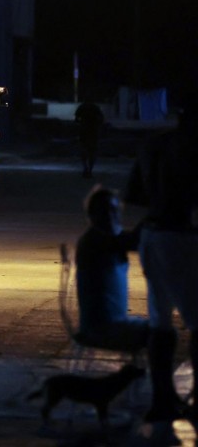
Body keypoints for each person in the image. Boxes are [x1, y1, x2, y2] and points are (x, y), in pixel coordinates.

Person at [125, 95, 198, 425]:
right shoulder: (192, 148)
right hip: (184, 237)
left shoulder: (154, 145)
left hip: (153, 237)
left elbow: (135, 197)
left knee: (160, 321)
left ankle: (162, 399)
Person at [75, 186, 148, 351]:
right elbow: (133, 241)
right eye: (105, 211)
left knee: (159, 329)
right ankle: (154, 376)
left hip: (109, 323)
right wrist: (157, 210)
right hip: (101, 328)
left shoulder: (101, 237)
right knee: (162, 333)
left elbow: (131, 240)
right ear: (92, 215)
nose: (110, 215)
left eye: (114, 210)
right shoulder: (94, 241)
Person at [74, 101, 104, 178]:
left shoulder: (82, 107)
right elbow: (101, 119)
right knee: (92, 151)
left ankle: (86, 168)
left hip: (84, 131)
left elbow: (76, 119)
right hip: (93, 131)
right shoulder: (95, 107)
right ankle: (89, 170)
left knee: (83, 149)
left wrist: (81, 123)